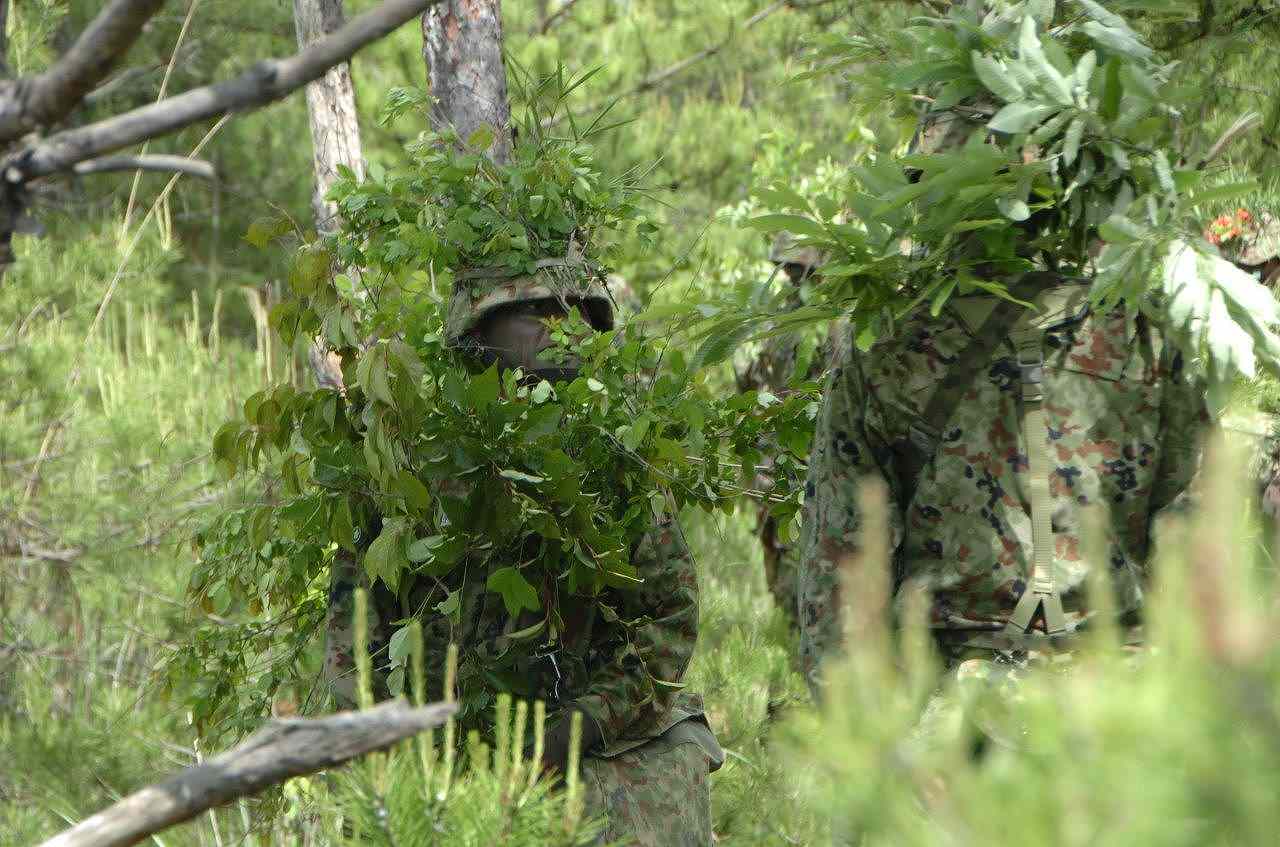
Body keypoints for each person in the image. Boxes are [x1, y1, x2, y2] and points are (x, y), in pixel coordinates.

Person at [796, 104, 1212, 696]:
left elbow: (837, 589)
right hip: (1122, 709)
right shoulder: (1143, 339)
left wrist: (865, 748)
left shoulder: (885, 356)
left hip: (955, 713)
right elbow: (1198, 547)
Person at [327, 268, 722, 846]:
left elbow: (666, 623)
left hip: (600, 739)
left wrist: (586, 721)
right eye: (533, 312)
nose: (556, 329)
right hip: (445, 737)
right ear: (479, 335)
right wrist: (398, 743)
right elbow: (353, 639)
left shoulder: (616, 464)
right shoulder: (411, 471)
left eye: (572, 312)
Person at [735, 233, 831, 624]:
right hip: (772, 455)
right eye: (789, 268)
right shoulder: (779, 316)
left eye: (799, 268)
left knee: (798, 543)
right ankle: (788, 619)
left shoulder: (829, 321)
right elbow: (755, 378)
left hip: (806, 455)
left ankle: (798, 623)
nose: (793, 275)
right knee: (773, 539)